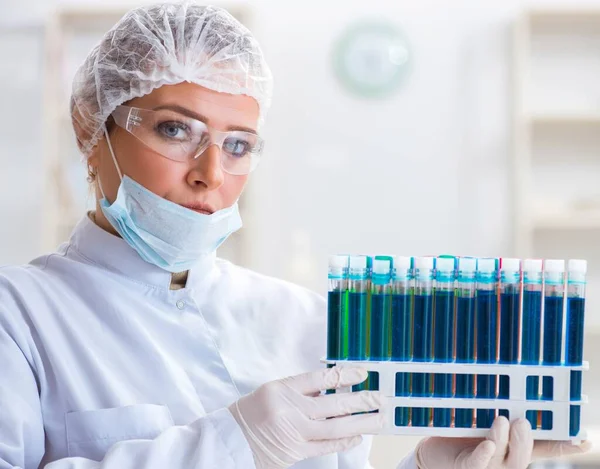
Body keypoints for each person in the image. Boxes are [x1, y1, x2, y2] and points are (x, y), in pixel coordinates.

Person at [0, 2, 590, 468]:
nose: (210, 173)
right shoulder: (20, 318)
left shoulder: (302, 319)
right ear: (89, 129)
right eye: (176, 128)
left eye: (237, 145)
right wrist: (236, 447)